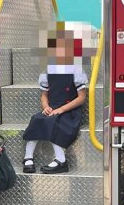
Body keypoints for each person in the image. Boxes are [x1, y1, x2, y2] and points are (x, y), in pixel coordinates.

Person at [22, 22, 89, 174]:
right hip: (53, 108)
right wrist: (46, 107)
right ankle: (28, 157)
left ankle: (61, 160)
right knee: (36, 119)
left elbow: (81, 98)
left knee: (53, 123)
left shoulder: (76, 69)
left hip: (69, 112)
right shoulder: (48, 70)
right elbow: (44, 95)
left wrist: (61, 109)